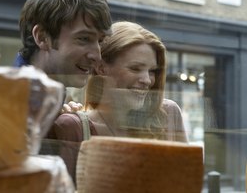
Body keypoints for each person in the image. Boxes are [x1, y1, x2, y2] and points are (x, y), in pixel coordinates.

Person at [49, 21, 188, 184]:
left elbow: (185, 183)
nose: (147, 80)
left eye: (152, 71)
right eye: (135, 68)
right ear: (101, 68)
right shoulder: (72, 126)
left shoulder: (168, 113)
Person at [15, 0, 112, 88]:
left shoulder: (44, 96)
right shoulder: (7, 100)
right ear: (42, 37)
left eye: (100, 41)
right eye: (84, 38)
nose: (97, 56)